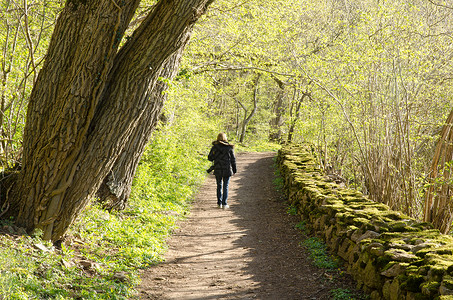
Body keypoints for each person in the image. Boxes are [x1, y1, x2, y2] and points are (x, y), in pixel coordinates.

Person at [208, 132, 237, 209]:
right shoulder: (229, 148)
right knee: (225, 187)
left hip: (218, 169)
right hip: (227, 169)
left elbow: (210, 158)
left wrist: (215, 155)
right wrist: (234, 170)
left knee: (219, 186)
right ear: (225, 138)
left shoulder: (214, 147)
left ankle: (219, 203)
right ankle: (224, 204)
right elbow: (233, 160)